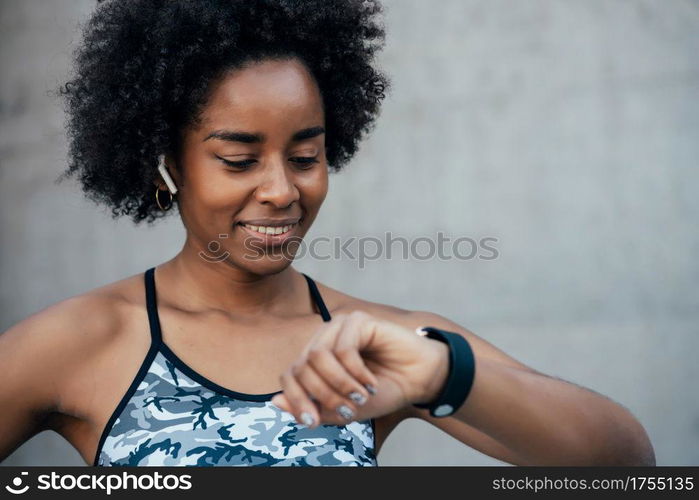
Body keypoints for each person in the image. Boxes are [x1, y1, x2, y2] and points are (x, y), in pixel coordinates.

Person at [0, 0, 655, 467]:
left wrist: (442, 376)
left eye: (306, 156)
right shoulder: (83, 341)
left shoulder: (375, 347)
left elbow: (625, 464)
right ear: (167, 161)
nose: (283, 189)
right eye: (238, 159)